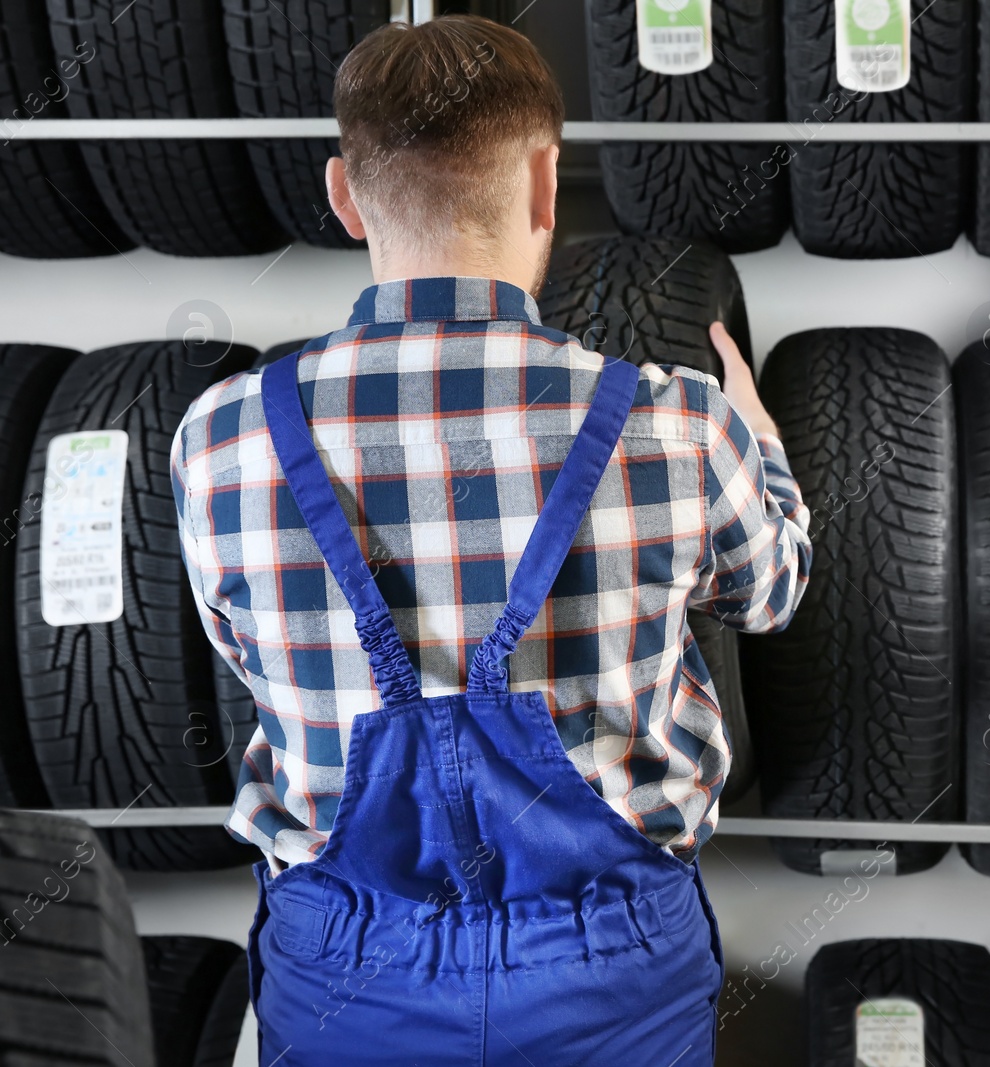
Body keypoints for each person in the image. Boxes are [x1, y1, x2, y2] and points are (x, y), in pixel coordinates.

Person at [170, 15, 810, 1065]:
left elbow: (242, 652)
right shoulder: (683, 422)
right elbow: (772, 591)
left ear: (344, 192)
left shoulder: (223, 435)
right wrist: (764, 444)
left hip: (345, 972)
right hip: (608, 974)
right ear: (547, 183)